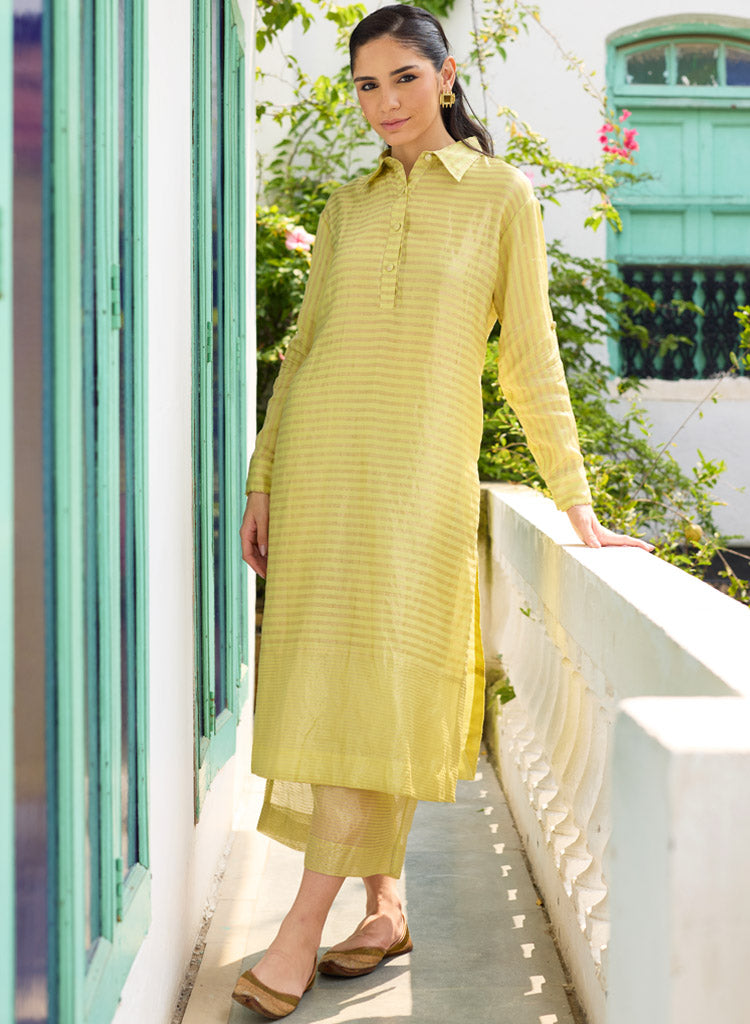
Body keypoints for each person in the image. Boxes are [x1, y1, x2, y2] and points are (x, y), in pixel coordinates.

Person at [233, 4, 653, 1019]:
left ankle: (300, 928)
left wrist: (575, 498)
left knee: (382, 684)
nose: (384, 103)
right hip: (322, 474)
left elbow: (531, 359)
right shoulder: (347, 205)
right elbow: (304, 347)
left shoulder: (501, 196)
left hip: (418, 483)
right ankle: (383, 908)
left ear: (447, 75)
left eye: (404, 79)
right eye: (366, 85)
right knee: (337, 687)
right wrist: (262, 474)